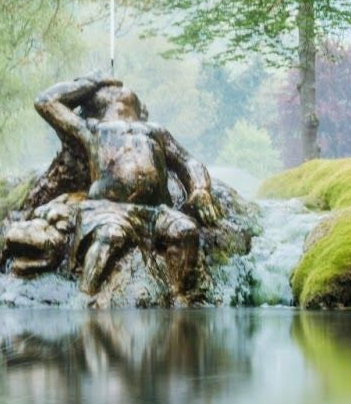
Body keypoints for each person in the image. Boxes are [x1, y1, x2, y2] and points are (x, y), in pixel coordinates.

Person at [29, 73, 220, 297]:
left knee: (186, 231)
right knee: (109, 237)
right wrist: (93, 81)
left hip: (157, 212)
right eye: (110, 91)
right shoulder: (92, 128)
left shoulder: (156, 131)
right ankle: (86, 299)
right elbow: (46, 102)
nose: (119, 89)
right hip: (109, 210)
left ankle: (181, 302)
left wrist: (200, 189)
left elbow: (188, 161)